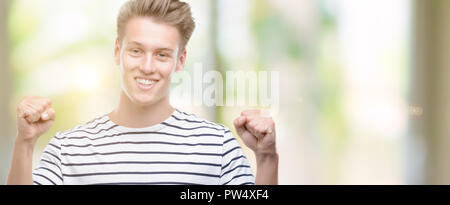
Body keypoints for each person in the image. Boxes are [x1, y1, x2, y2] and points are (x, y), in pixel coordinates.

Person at [6, 0, 278, 185]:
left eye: (161, 54)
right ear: (117, 51)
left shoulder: (217, 147)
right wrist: (25, 143)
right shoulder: (68, 150)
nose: (147, 67)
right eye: (136, 51)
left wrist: (267, 159)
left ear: (180, 61)